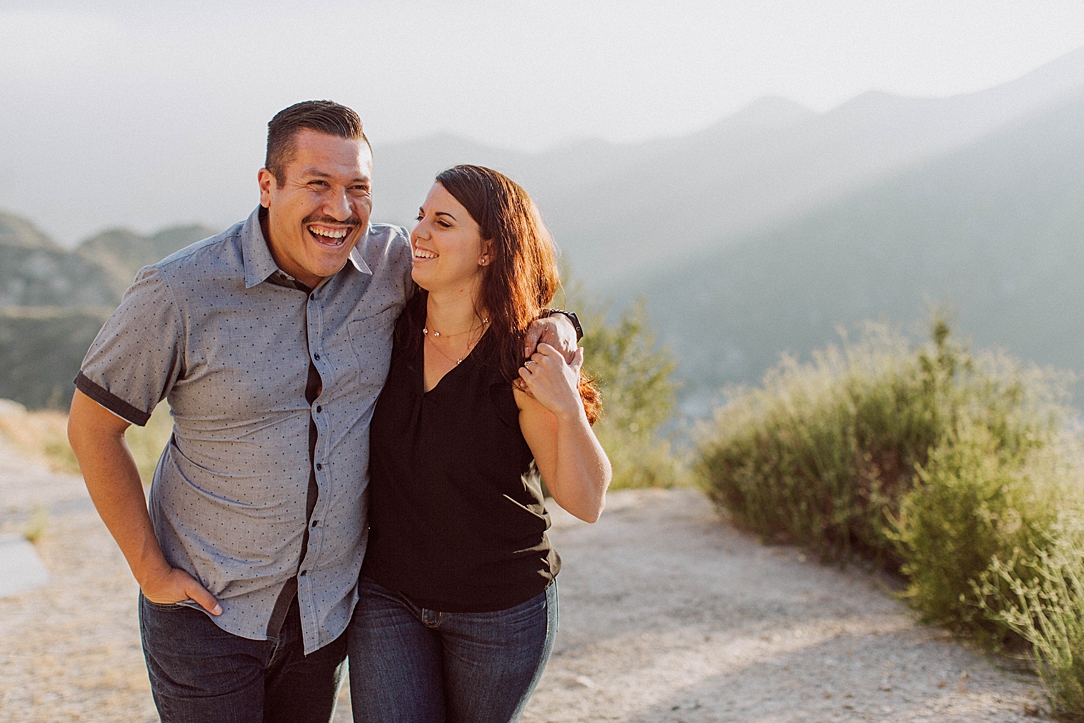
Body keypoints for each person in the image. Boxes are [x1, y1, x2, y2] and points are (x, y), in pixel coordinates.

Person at [65, 102, 578, 723]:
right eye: (317, 185)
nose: (340, 210)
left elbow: (497, 281)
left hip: (325, 621)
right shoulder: (178, 292)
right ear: (267, 185)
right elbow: (93, 428)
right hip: (208, 616)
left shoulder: (393, 264)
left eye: (357, 188)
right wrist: (149, 571)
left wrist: (559, 325)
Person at [348, 165, 612, 723]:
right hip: (386, 595)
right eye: (421, 216)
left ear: (489, 251)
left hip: (499, 612)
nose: (418, 233)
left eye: (443, 222)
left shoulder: (522, 360)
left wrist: (566, 405)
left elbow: (585, 502)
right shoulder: (386, 324)